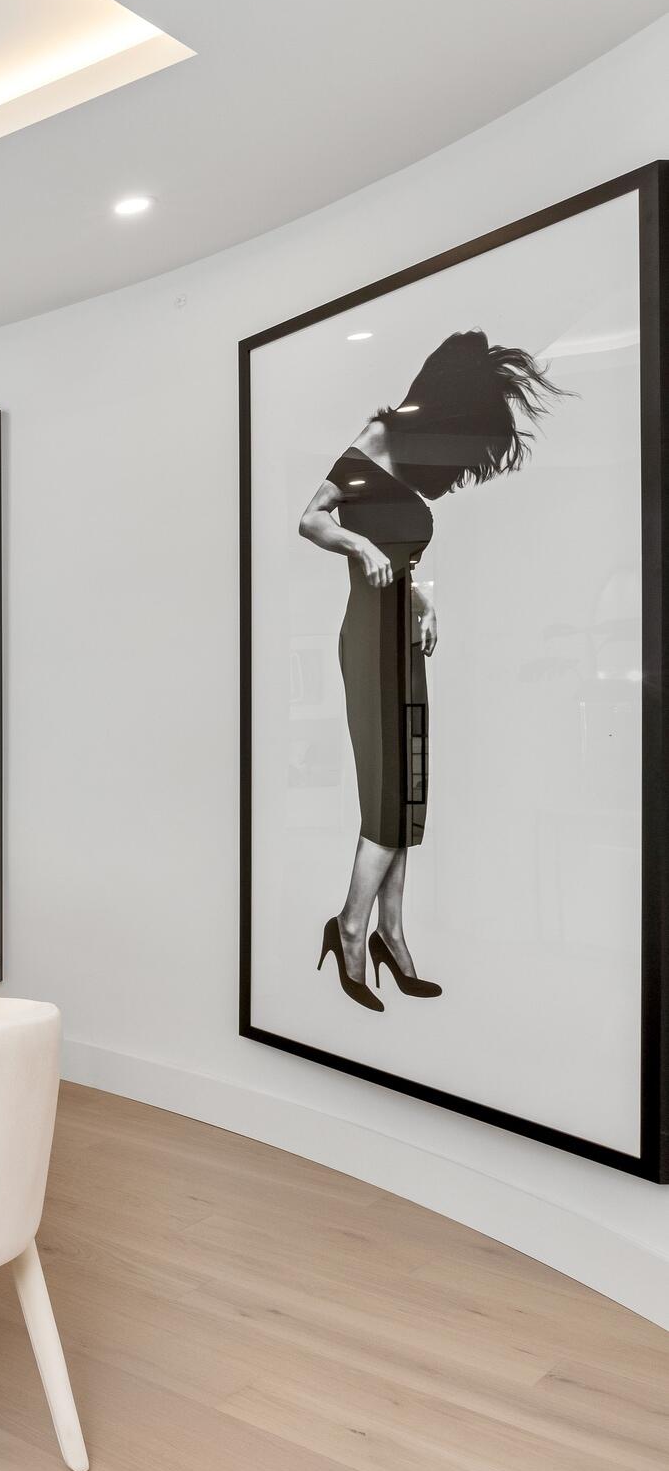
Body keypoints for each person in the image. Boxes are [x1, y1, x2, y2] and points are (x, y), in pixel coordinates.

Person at [296, 330, 562, 1010]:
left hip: (403, 642)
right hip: (366, 641)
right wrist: (356, 545)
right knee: (385, 797)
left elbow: (399, 552)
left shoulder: (412, 457)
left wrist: (421, 598)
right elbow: (312, 518)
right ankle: (350, 929)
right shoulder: (377, 437)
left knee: (407, 794)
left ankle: (393, 932)